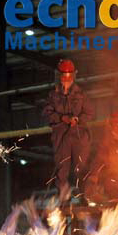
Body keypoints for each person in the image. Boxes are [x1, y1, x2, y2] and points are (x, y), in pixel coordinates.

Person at [43, 59, 93, 197]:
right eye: (64, 76)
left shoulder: (81, 94)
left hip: (78, 134)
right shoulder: (53, 95)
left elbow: (89, 113)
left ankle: (84, 196)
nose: (66, 80)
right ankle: (63, 198)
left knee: (81, 166)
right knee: (62, 168)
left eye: (69, 77)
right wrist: (61, 118)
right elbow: (47, 113)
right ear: (59, 76)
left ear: (73, 76)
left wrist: (78, 120)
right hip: (60, 135)